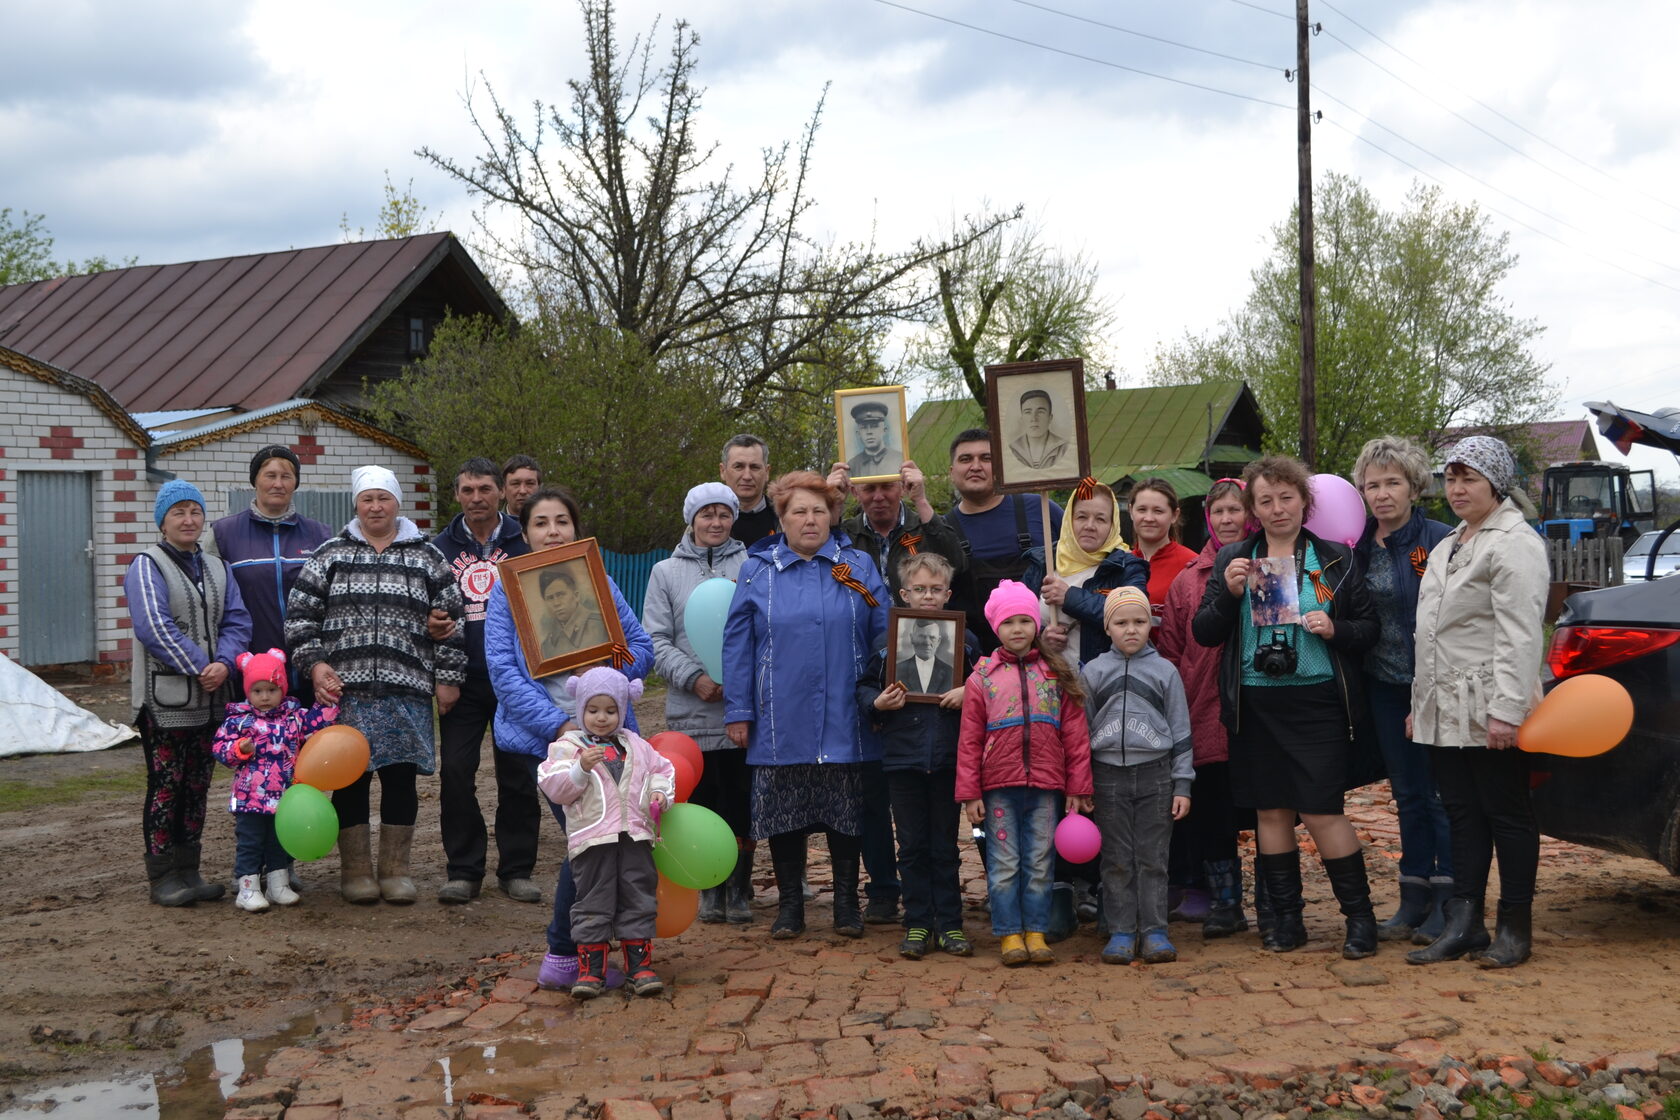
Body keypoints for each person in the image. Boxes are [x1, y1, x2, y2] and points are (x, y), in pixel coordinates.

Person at [1191, 456, 1381, 959]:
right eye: (1266, 500)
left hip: (1316, 702)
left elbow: (1368, 630)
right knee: (1270, 813)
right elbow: (1204, 632)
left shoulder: (1332, 558)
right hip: (1255, 703)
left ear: (1305, 501)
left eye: (1287, 498)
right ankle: (1286, 921)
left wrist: (1335, 627)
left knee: (1322, 812)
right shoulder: (1237, 556)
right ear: (1253, 508)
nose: (1278, 509)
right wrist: (1230, 595)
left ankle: (1360, 921)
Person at [484, 486, 655, 991]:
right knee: (588, 842)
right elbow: (503, 672)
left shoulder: (597, 581)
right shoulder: (506, 589)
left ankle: (588, 950)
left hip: (610, 738)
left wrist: (605, 664)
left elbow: (641, 649)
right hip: (554, 742)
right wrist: (560, 727)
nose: (552, 531)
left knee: (607, 843)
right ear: (525, 531)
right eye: (541, 523)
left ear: (575, 529)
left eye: (561, 521)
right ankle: (567, 950)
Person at [285, 466, 466, 906]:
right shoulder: (330, 554)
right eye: (367, 499)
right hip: (346, 695)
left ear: (397, 503)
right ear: (356, 504)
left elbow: (452, 621)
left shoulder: (426, 556)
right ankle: (357, 872)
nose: (375, 507)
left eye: (383, 498)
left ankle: (395, 871)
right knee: (351, 783)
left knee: (401, 779)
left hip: (407, 692)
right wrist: (315, 666)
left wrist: (448, 679)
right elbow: (299, 619)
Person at [722, 471, 889, 940]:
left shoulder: (856, 566)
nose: (810, 519)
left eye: (819, 510)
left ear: (833, 515)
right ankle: (790, 906)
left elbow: (884, 630)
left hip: (847, 710)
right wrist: (738, 710)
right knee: (784, 813)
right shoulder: (757, 569)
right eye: (799, 511)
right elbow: (737, 644)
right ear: (782, 518)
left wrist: (885, 693)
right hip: (780, 713)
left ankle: (845, 904)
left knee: (846, 811)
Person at [1406, 436, 1548, 970]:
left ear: (1496, 483)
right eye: (1451, 478)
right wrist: (1421, 705)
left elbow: (1519, 634)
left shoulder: (1513, 543)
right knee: (1462, 813)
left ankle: (1515, 926)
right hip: (1445, 705)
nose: (1458, 488)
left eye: (1469, 478)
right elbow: (1433, 633)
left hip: (1490, 703)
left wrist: (1508, 709)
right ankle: (1465, 922)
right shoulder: (1452, 543)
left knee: (1507, 814)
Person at [125, 479, 253, 906]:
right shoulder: (147, 565)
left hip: (211, 699)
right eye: (178, 512)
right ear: (162, 521)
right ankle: (162, 876)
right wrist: (203, 665)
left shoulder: (218, 567)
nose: (188, 520)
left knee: (197, 786)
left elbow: (238, 622)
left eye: (195, 512)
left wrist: (226, 663)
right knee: (166, 785)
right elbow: (153, 628)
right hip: (165, 702)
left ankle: (190, 871)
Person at [956, 580, 1094, 966]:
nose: (1017, 629)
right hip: (998, 788)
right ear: (995, 628)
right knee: (1004, 864)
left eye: (1024, 620)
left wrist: (1078, 785)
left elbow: (1075, 735)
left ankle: (1035, 930)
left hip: (1047, 788)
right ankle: (1009, 934)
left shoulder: (1055, 673)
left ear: (1036, 624)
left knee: (1039, 862)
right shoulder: (982, 678)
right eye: (1008, 622)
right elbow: (968, 741)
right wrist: (970, 794)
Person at [1351, 437, 1455, 945]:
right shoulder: (1356, 544)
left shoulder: (1439, 539)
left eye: (1393, 482)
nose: (1383, 493)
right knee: (1407, 794)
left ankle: (1449, 899)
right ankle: (1413, 896)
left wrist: (1428, 692)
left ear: (1413, 486)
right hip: (1384, 686)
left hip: (1432, 685)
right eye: (1373, 484)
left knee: (1438, 795)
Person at [857, 552, 980, 959]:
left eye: (935, 589)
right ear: (904, 594)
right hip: (902, 758)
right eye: (920, 589)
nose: (928, 596)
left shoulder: (966, 643)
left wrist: (970, 692)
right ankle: (916, 924)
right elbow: (861, 690)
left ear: (948, 594)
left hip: (947, 757)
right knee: (910, 845)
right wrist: (878, 703)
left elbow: (989, 686)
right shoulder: (885, 644)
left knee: (945, 845)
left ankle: (950, 924)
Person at [641, 482, 752, 924]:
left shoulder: (752, 566)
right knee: (701, 802)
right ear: (691, 520)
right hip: (691, 712)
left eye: (723, 514)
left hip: (741, 712)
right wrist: (695, 677)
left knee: (741, 802)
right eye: (706, 514)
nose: (715, 522)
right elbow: (655, 639)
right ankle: (708, 888)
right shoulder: (665, 572)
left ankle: (740, 890)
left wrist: (738, 681)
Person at [433, 458, 537, 905]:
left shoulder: (524, 540)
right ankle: (463, 870)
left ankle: (516, 870)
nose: (477, 498)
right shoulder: (438, 548)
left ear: (500, 493)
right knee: (456, 772)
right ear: (456, 495)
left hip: (515, 679)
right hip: (463, 679)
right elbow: (427, 611)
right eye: (467, 490)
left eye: (485, 489)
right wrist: (441, 671)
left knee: (518, 775)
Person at [1155, 478, 1256, 938]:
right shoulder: (1188, 579)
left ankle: (1276, 896)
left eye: (1236, 510)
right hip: (1205, 707)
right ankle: (1225, 901)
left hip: (1260, 708)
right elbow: (1173, 651)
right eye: (1218, 512)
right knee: (1214, 808)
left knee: (1268, 805)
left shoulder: (1272, 564)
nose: (1227, 519)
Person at [536, 667, 675, 999]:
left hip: (635, 837)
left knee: (638, 896)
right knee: (592, 901)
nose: (602, 718)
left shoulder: (636, 745)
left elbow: (662, 769)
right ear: (580, 708)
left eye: (611, 710)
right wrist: (580, 768)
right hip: (592, 840)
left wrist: (660, 793)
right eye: (593, 710)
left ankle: (639, 967)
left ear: (623, 710)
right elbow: (553, 785)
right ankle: (591, 971)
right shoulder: (568, 747)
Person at [1082, 587, 1194, 965]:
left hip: (1156, 776)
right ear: (1107, 627)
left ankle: (1155, 931)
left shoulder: (1165, 672)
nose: (1131, 630)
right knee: (1116, 858)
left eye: (1139, 621)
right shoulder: (1094, 672)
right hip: (1107, 776)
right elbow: (1080, 734)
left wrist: (1182, 784)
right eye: (1122, 622)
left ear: (1151, 624)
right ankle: (1121, 931)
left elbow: (1180, 731)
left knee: (1153, 857)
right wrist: (1082, 784)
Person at [209, 648, 339, 912]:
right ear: (248, 692)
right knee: (250, 843)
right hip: (250, 799)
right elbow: (220, 748)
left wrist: (330, 699)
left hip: (284, 798)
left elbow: (316, 724)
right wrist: (239, 751)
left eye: (271, 689)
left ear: (282, 689)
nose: (265, 697)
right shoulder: (239, 720)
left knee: (279, 842)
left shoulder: (293, 716)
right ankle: (247, 889)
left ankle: (278, 885)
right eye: (258, 691)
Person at [210, 446, 332, 669]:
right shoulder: (223, 533)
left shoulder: (319, 535)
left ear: (295, 483)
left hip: (308, 669)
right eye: (270, 476)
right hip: (250, 670)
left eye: (286, 476)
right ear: (255, 480)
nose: (278, 484)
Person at [946, 428, 1063, 652]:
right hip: (977, 666)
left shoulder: (1042, 509)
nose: (976, 466)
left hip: (1048, 656)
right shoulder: (943, 531)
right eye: (966, 459)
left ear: (1002, 467)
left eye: (986, 458)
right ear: (952, 471)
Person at [1021, 478, 1150, 666]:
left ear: (1112, 525)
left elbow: (1133, 615)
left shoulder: (1127, 566)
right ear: (1068, 519)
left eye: (1100, 519)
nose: (1090, 525)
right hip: (1046, 685)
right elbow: (1015, 618)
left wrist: (1070, 597)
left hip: (1102, 684)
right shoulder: (1044, 561)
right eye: (1081, 516)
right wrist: (1040, 637)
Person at [832, 459, 965, 601]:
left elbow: (957, 565)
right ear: (854, 492)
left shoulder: (927, 528)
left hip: (918, 623)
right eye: (869, 489)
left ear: (903, 487)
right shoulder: (845, 534)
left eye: (887, 486)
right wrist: (833, 502)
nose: (878, 497)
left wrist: (920, 500)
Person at [721, 434, 778, 543]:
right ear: (723, 471)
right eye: (738, 467)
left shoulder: (786, 519)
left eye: (754, 467)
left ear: (767, 472)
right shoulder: (704, 524)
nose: (747, 476)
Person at [1008, 389, 1072, 472]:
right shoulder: (1012, 449)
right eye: (1028, 412)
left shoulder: (1063, 448)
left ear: (1050, 418)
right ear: (1022, 419)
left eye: (1040, 412)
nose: (1034, 418)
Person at [846, 400, 904, 477]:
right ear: (858, 433)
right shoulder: (852, 466)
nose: (869, 432)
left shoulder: (900, 459)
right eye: (863, 427)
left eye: (874, 426)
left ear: (884, 430)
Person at [502, 454, 542, 521]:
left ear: (539, 487)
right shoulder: (490, 528)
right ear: (503, 489)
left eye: (530, 483)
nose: (522, 491)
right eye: (515, 484)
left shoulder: (555, 527)